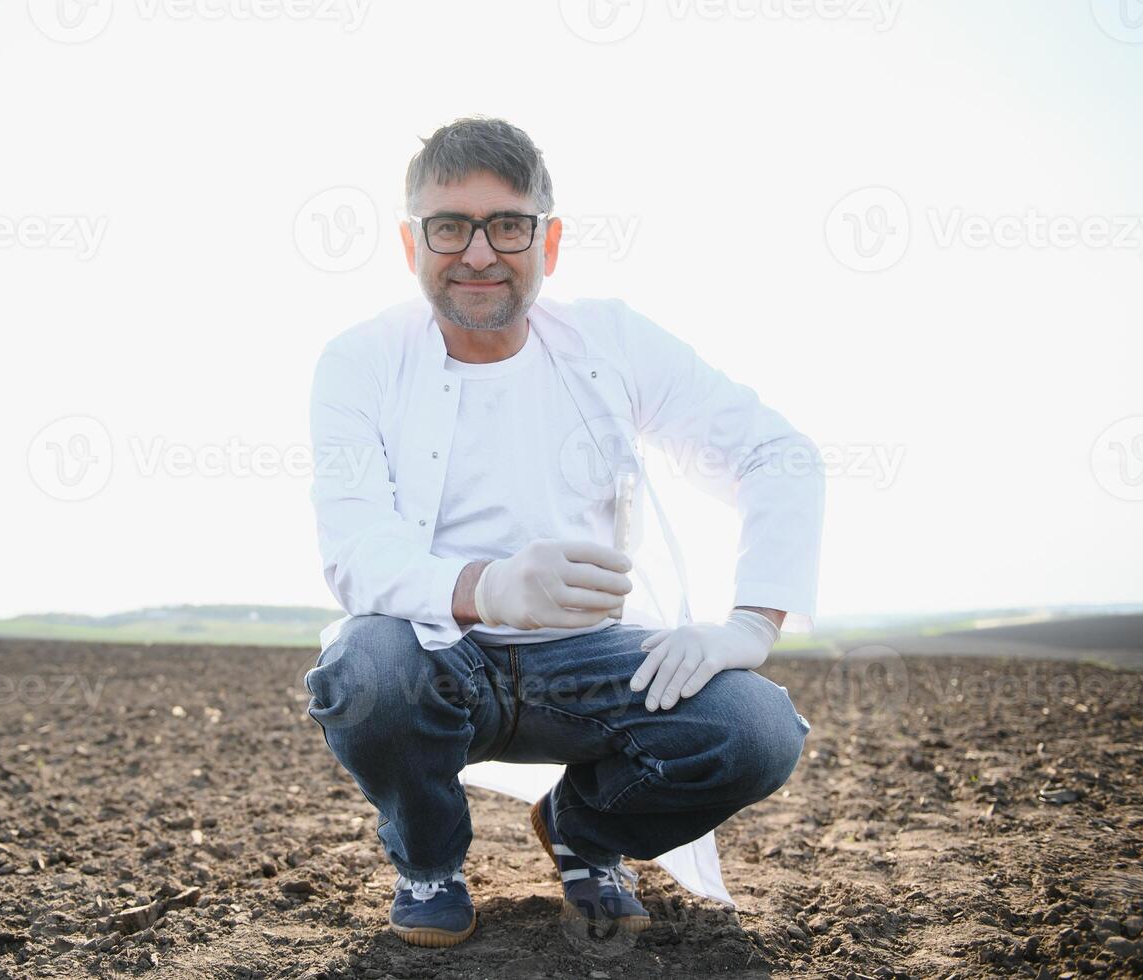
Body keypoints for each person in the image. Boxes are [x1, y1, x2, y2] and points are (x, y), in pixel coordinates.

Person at [304, 116, 822, 948]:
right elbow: (355, 548)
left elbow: (773, 452)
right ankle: (429, 862)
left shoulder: (608, 339)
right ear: (411, 245)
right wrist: (485, 586)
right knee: (366, 667)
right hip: (437, 653)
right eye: (450, 227)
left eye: (507, 225)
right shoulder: (359, 362)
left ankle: (585, 829)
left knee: (755, 731)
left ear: (548, 241)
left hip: (589, 660)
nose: (478, 253)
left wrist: (751, 624)